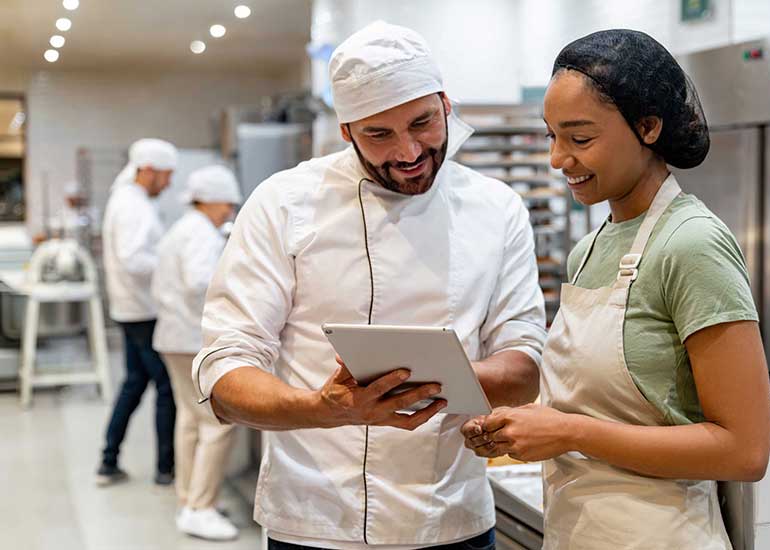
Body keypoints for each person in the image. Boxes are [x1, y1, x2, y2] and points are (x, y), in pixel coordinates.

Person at [193, 21, 547, 550]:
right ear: (346, 132)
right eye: (379, 134)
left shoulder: (497, 209)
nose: (407, 152)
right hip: (315, 522)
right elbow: (225, 368)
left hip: (452, 519)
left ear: (447, 105)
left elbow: (524, 365)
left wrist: (441, 381)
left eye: (423, 122)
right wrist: (323, 407)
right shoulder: (285, 202)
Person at [462, 30, 770, 550]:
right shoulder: (590, 249)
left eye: (580, 139)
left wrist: (568, 432)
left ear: (648, 127)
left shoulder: (692, 243)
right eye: (551, 137)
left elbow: (744, 450)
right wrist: (517, 426)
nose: (558, 160)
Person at [152, 166, 242, 541]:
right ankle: (201, 508)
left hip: (173, 337)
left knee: (190, 421)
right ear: (214, 199)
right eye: (228, 205)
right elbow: (199, 283)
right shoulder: (201, 233)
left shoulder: (185, 227)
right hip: (190, 339)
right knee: (219, 422)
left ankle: (190, 499)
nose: (229, 211)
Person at [97, 138, 178, 487]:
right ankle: (166, 469)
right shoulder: (133, 205)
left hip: (129, 309)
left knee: (133, 384)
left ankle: (108, 460)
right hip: (142, 312)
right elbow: (134, 260)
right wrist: (172, 264)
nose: (169, 183)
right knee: (167, 388)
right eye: (166, 176)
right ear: (147, 170)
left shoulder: (128, 199)